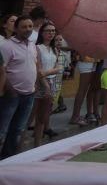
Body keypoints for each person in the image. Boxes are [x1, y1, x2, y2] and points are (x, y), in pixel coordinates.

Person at [0, 16, 39, 158]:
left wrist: (34, 84)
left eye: (30, 26)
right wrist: (11, 90)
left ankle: (6, 161)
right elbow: (1, 70)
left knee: (17, 130)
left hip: (29, 95)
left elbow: (33, 65)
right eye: (24, 27)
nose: (28, 29)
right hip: (11, 96)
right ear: (16, 28)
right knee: (2, 130)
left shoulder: (32, 45)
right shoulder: (6, 46)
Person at [32, 22, 61, 146]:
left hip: (52, 81)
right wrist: (46, 84)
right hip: (39, 83)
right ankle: (20, 144)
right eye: (48, 31)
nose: (51, 33)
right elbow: (39, 70)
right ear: (42, 33)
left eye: (53, 31)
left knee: (43, 116)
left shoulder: (55, 49)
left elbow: (58, 67)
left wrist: (50, 72)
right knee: (32, 114)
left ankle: (37, 144)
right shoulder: (37, 47)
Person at [68, 53, 96, 126]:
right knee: (82, 89)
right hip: (85, 59)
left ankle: (77, 116)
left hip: (93, 60)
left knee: (85, 90)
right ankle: (75, 117)